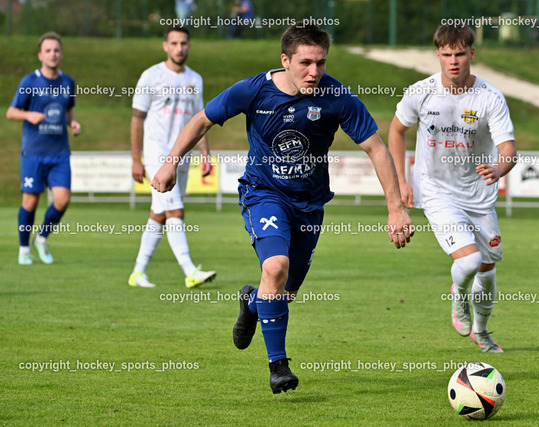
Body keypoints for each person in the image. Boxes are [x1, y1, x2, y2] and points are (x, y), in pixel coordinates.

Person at [151, 23, 413, 393]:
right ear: (285, 60)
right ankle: (279, 366)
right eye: (305, 63)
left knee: (283, 293)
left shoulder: (337, 96)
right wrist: (170, 163)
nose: (314, 71)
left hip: (309, 205)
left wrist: (395, 208)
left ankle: (251, 303)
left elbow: (377, 148)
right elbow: (201, 120)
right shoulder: (254, 90)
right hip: (264, 194)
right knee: (274, 266)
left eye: (321, 63)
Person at [388, 24, 517, 353]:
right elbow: (397, 130)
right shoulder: (421, 92)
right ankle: (458, 295)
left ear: (472, 53)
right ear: (438, 56)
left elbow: (508, 150)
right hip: (436, 190)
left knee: (487, 268)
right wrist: (402, 180)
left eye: (460, 54)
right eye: (447, 55)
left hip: (479, 195)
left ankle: (482, 331)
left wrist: (499, 168)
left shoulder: (490, 98)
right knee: (470, 262)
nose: (454, 61)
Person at [128, 26, 216, 289]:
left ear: (189, 46)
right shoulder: (151, 76)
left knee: (159, 214)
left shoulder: (195, 79)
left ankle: (138, 272)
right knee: (175, 210)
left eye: (184, 43)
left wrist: (205, 154)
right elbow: (137, 119)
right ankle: (190, 271)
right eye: (174, 43)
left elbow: (200, 121)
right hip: (157, 156)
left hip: (182, 158)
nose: (179, 48)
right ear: (165, 46)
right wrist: (136, 159)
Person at [7, 32, 81, 265]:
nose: (53, 54)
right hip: (34, 153)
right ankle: (24, 249)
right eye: (48, 50)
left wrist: (73, 123)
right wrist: (28, 115)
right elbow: (11, 112)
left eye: (56, 50)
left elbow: (67, 111)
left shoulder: (68, 82)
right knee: (30, 202)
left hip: (59, 154)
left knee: (62, 200)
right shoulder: (30, 82)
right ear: (40, 55)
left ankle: (41, 238)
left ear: (62, 54)